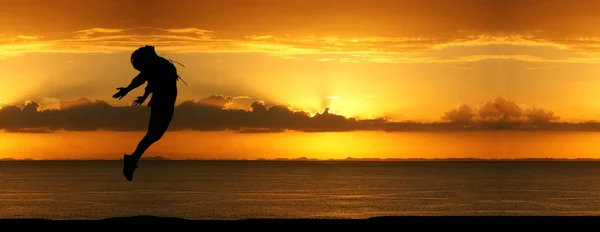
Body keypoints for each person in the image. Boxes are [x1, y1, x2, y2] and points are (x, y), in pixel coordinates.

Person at [112, 45, 185, 181]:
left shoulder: (161, 66)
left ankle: (132, 159)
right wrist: (129, 91)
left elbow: (148, 81)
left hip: (164, 101)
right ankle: (132, 160)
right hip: (162, 102)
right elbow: (144, 80)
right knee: (154, 134)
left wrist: (139, 94)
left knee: (155, 134)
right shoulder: (160, 66)